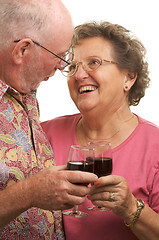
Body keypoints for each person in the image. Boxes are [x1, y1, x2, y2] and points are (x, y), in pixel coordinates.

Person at [41, 21, 159, 240]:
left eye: (94, 62)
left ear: (129, 77)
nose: (78, 76)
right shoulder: (43, 134)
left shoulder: (155, 146)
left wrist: (131, 209)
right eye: (73, 67)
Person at [0, 1, 98, 239]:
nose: (63, 66)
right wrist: (29, 193)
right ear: (23, 50)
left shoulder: (25, 91)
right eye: (59, 55)